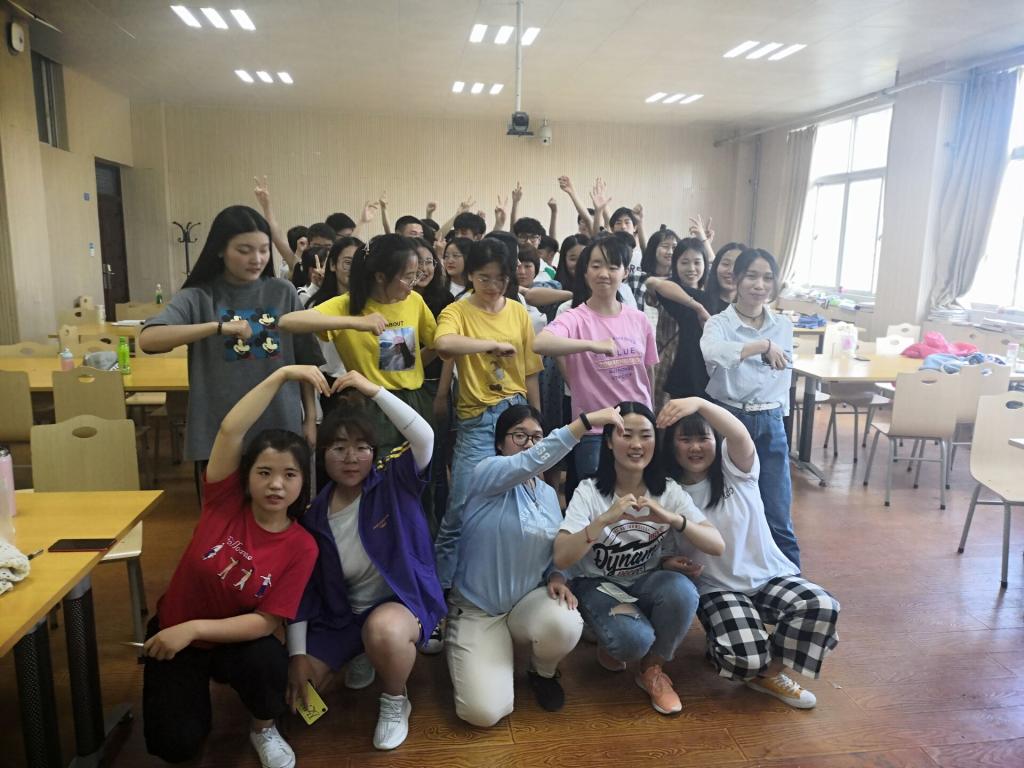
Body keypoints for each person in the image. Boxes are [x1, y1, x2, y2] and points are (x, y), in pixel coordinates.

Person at [142, 365, 323, 768]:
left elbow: (265, 622)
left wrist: (196, 629)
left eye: (289, 475)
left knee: (267, 660)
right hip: (174, 633)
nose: (276, 484)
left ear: (301, 482)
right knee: (176, 746)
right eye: (265, 473)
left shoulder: (302, 546)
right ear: (247, 476)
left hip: (231, 641)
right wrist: (280, 375)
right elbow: (229, 430)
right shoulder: (223, 500)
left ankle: (263, 727)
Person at [286, 371, 445, 750]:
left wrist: (375, 391)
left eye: (361, 447)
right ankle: (362, 651)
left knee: (383, 631)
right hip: (343, 618)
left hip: (398, 606)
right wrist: (297, 656)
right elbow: (302, 591)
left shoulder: (392, 480)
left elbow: (425, 437)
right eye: (338, 448)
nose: (351, 458)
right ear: (323, 454)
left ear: (374, 452)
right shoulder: (313, 515)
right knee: (296, 699)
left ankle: (395, 698)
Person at [447, 405, 624, 725]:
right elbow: (530, 461)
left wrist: (557, 575)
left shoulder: (546, 494)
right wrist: (584, 423)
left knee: (565, 620)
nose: (529, 444)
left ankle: (542, 671)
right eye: (519, 436)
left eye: (537, 437)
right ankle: (482, 648)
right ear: (499, 443)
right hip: (478, 608)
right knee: (483, 713)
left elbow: (556, 547)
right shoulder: (486, 472)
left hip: (525, 604)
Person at [658, 397, 839, 708]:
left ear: (716, 441)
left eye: (703, 438)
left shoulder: (735, 468)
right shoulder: (668, 492)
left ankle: (768, 673)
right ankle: (737, 651)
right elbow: (664, 547)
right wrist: (670, 562)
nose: (696, 447)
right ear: (672, 446)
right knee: (745, 656)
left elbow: (739, 433)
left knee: (821, 605)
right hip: (718, 588)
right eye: (685, 439)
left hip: (769, 576)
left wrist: (700, 403)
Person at [553, 402, 724, 714]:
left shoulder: (668, 491)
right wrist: (603, 520)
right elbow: (562, 557)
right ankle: (609, 634)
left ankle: (652, 670)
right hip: (597, 584)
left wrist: (673, 519)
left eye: (645, 435)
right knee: (631, 641)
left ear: (656, 442)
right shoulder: (589, 491)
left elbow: (716, 544)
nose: (636, 444)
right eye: (626, 434)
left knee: (683, 591)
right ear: (608, 442)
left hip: (645, 580)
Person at [138, 206, 323, 492]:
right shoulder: (198, 296)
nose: (257, 259)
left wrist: (310, 419)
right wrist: (217, 327)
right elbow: (149, 339)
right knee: (223, 517)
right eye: (244, 250)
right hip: (218, 430)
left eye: (263, 250)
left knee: (281, 512)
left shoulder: (283, 292)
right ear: (220, 250)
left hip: (280, 426)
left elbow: (305, 358)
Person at [433, 238, 543, 591]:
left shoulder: (518, 311)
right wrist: (490, 345)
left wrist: (536, 423)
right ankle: (441, 594)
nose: (493, 286)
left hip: (516, 412)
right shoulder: (458, 311)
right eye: (484, 278)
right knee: (461, 507)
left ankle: (513, 583)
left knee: (522, 501)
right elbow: (443, 344)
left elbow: (530, 372)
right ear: (470, 275)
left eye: (500, 278)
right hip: (478, 418)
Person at [279, 234, 437, 459]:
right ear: (380, 277)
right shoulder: (347, 304)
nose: (412, 287)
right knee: (380, 468)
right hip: (371, 406)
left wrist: (414, 366)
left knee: (416, 470)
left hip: (414, 401)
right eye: (407, 278)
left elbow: (435, 345)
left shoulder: (414, 302)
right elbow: (287, 322)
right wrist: (355, 322)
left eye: (415, 277)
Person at [700, 248, 799, 568]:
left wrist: (781, 420)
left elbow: (784, 378)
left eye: (768, 278)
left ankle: (791, 579)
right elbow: (713, 353)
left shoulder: (782, 325)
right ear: (736, 278)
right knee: (723, 505)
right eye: (752, 276)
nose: (760, 285)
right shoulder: (718, 323)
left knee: (777, 508)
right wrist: (762, 346)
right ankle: (724, 575)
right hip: (728, 417)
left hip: (770, 419)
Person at [534, 237, 658, 485]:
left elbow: (648, 371)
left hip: (637, 428)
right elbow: (540, 344)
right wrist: (591, 345)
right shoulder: (574, 317)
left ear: (624, 272)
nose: (604, 274)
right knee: (596, 501)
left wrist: (651, 415)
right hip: (594, 430)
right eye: (596, 265)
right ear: (585, 272)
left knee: (638, 498)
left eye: (613, 267)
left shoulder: (639, 319)